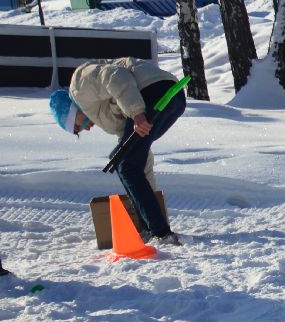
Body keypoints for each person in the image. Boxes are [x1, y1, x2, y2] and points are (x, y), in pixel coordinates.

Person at [50, 58, 188, 246]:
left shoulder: (79, 85)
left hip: (154, 92)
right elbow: (140, 159)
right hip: (174, 98)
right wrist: (150, 199)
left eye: (77, 125)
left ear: (71, 112)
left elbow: (115, 75)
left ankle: (161, 233)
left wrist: (137, 112)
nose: (85, 128)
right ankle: (151, 228)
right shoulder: (100, 111)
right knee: (126, 161)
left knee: (126, 165)